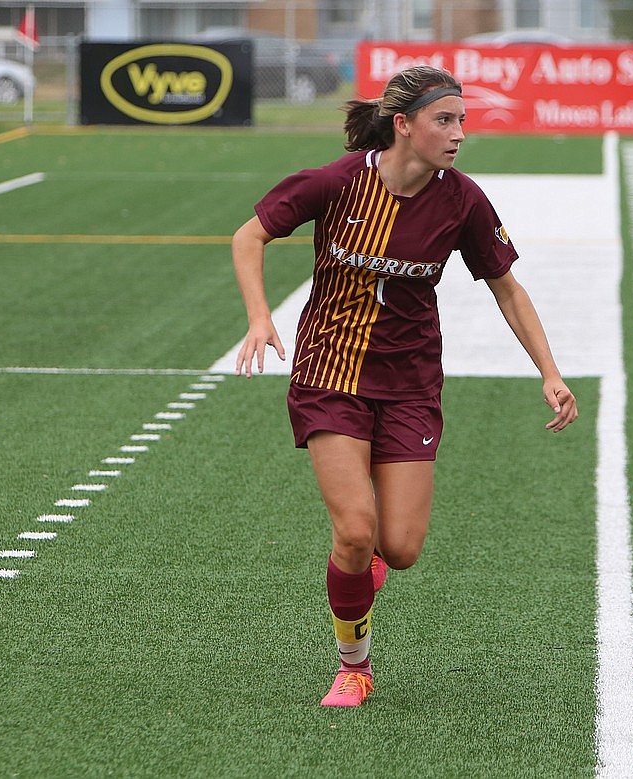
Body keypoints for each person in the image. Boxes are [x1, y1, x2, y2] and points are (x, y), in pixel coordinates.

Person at [231, 65, 579, 707]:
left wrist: (550, 372)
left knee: (402, 547)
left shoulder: (463, 200)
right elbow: (250, 234)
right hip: (328, 376)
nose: (457, 134)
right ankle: (354, 664)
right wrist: (259, 316)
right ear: (403, 125)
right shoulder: (338, 183)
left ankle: (364, 570)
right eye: (444, 121)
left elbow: (505, 285)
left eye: (462, 121)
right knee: (356, 530)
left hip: (412, 384)